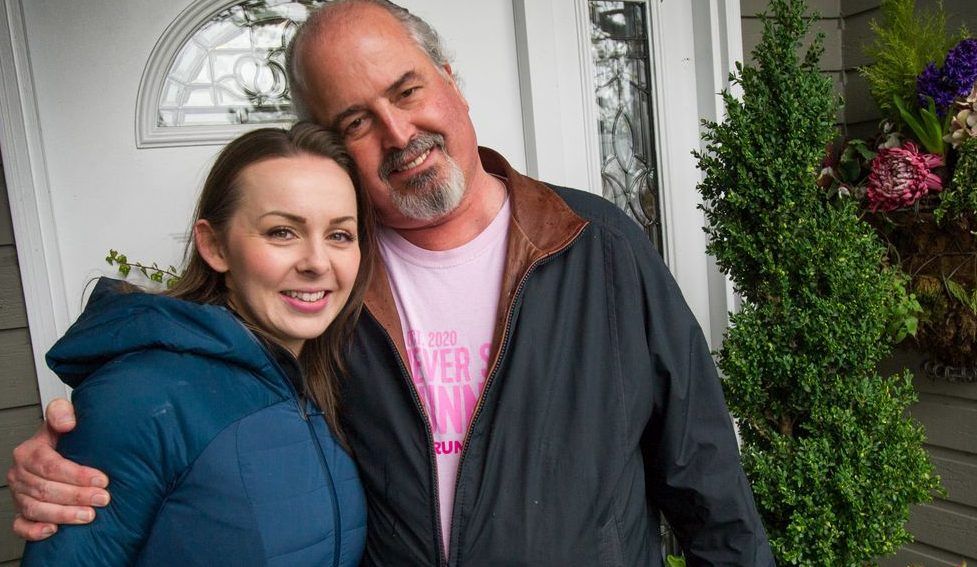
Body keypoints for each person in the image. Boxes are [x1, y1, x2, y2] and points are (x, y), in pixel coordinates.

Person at [9, 1, 776, 564]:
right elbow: (202, 385)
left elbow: (703, 475)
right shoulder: (325, 283)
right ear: (332, 148)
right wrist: (78, 453)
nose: (399, 134)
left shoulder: (595, 245)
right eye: (354, 121)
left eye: (406, 91)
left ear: (450, 80)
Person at [18, 122, 374, 566]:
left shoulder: (328, 381)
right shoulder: (139, 396)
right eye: (282, 231)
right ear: (214, 246)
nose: (318, 262)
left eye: (340, 234)